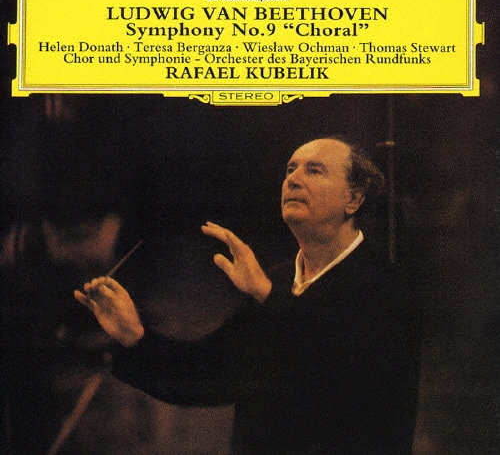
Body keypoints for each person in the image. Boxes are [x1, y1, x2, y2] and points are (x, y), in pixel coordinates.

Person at [76, 137, 421, 454]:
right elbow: (209, 376)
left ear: (354, 199)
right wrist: (135, 336)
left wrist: (268, 295)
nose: (293, 179)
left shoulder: (388, 287)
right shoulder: (276, 281)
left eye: (314, 170)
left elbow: (338, 387)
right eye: (290, 169)